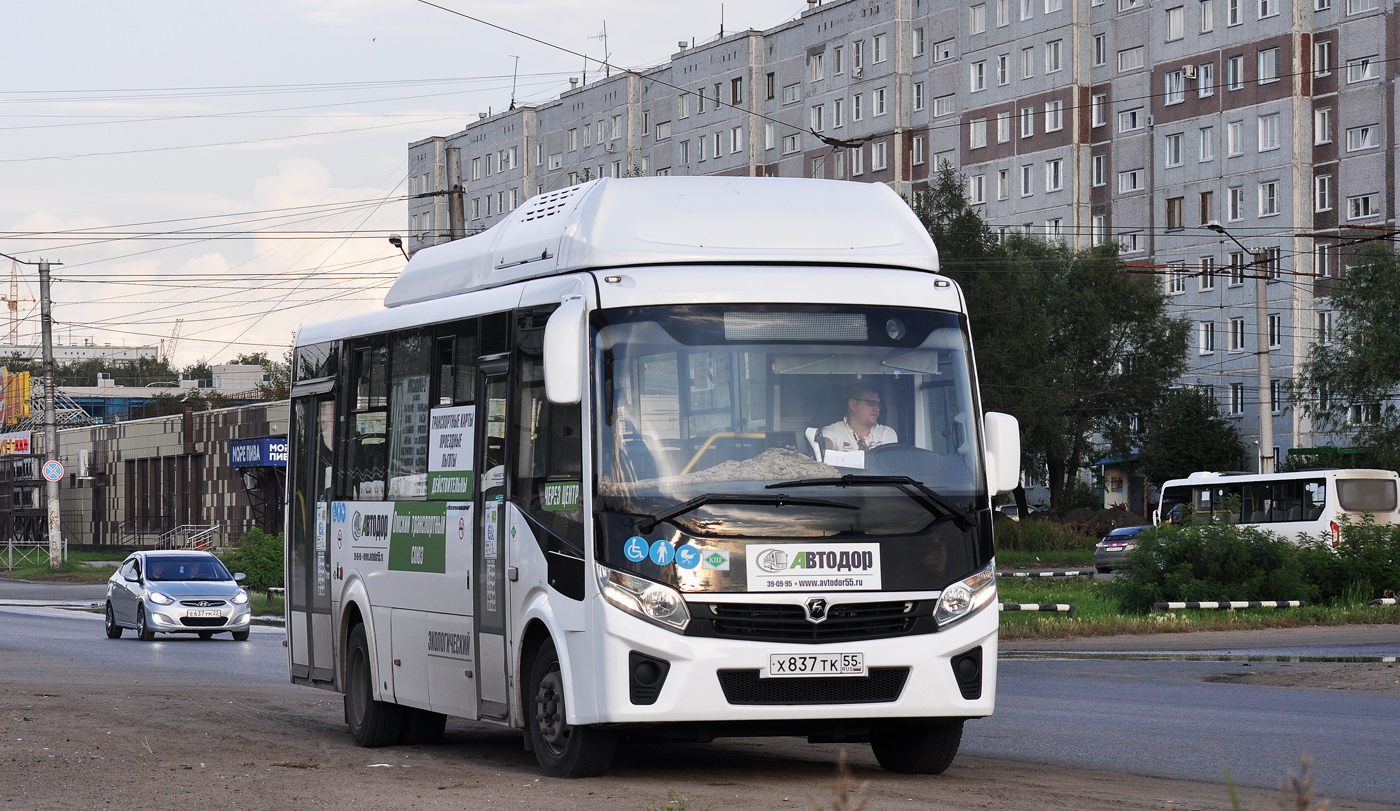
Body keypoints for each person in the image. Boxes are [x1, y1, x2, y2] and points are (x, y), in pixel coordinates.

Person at [822, 385, 897, 452]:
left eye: (879, 405)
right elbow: (824, 444)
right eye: (871, 402)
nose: (877, 409)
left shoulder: (886, 433)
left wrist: (869, 457)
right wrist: (825, 445)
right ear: (853, 404)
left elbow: (889, 465)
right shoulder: (834, 431)